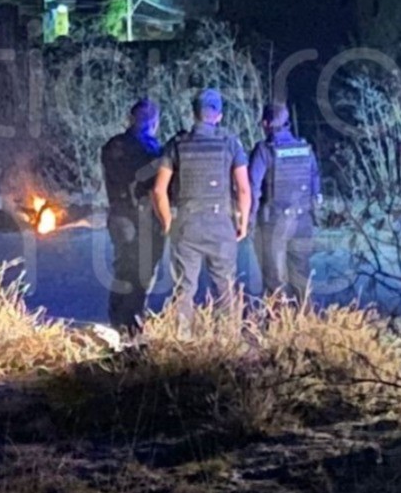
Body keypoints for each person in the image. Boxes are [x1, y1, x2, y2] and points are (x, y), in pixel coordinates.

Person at [152, 89, 250, 332]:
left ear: (194, 114)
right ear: (219, 116)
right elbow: (244, 189)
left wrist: (167, 223)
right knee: (225, 289)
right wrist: (243, 223)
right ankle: (227, 344)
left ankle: (181, 345)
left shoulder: (177, 144)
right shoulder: (230, 143)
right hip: (220, 225)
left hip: (187, 225)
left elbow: (158, 190)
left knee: (184, 290)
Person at [100, 98, 165, 336]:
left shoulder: (111, 145)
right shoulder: (150, 150)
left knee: (122, 269)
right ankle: (132, 326)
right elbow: (155, 186)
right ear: (154, 122)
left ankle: (117, 321)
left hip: (117, 215)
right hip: (141, 219)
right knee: (141, 272)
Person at [248, 103, 321, 303]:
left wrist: (250, 220)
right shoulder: (305, 149)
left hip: (274, 223)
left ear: (265, 123)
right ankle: (306, 324)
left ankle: (279, 327)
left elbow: (253, 188)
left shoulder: (264, 150)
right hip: (302, 221)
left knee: (274, 280)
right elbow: (315, 184)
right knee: (301, 276)